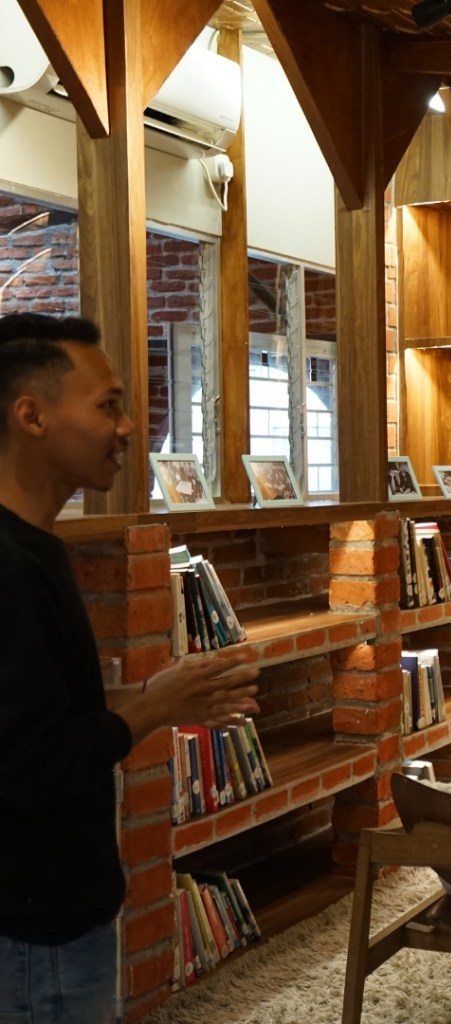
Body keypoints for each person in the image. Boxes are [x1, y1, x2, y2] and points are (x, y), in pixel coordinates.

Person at [0, 312, 261, 1024]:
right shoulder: (10, 566)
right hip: (36, 925)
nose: (126, 428)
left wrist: (154, 694)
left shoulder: (34, 547)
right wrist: (153, 707)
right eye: (107, 405)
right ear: (31, 416)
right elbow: (31, 763)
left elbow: (43, 708)